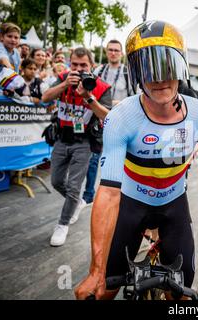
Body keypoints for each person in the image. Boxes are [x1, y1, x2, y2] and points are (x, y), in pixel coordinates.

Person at [74, 20, 198, 300]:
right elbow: (109, 193)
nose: (160, 78)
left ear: (181, 68)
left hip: (173, 205)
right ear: (136, 73)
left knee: (182, 294)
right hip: (130, 204)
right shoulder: (121, 118)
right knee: (104, 289)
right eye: (149, 69)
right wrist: (95, 270)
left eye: (168, 66)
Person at [41, 47, 112, 247]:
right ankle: (76, 202)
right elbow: (46, 98)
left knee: (73, 186)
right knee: (55, 181)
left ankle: (63, 224)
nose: (79, 69)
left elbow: (106, 116)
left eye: (83, 65)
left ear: (92, 66)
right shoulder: (63, 77)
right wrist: (64, 84)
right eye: (75, 64)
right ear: (70, 64)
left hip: (84, 142)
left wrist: (88, 96)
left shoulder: (101, 86)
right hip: (62, 139)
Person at [78, 40, 136, 209]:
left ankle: (122, 195)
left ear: (121, 53)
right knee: (94, 157)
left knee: (122, 158)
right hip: (99, 118)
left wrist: (114, 102)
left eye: (116, 50)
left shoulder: (128, 73)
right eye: (110, 50)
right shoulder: (98, 70)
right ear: (106, 51)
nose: (113, 53)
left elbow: (135, 98)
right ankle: (88, 195)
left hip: (121, 120)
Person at [0, 23, 21, 95]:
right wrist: (11, 71)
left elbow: (16, 73)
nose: (13, 40)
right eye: (9, 36)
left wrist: (12, 88)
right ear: (1, 37)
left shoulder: (16, 53)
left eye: (16, 37)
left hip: (4, 92)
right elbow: (3, 60)